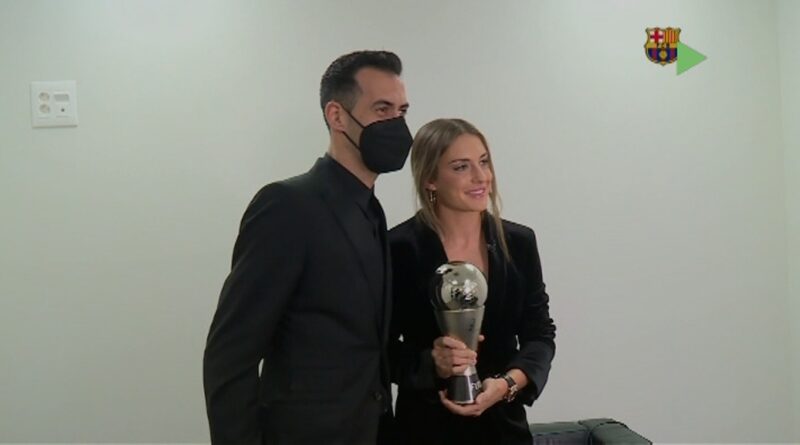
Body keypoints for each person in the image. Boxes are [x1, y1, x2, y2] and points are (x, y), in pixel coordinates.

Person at [203, 50, 412, 445]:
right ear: (337, 116)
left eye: (401, 111)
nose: (397, 124)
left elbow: (368, 344)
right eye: (382, 109)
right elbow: (230, 355)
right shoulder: (287, 205)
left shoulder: (373, 211)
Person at [388, 118, 556, 445]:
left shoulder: (519, 243)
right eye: (461, 167)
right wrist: (432, 363)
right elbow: (379, 349)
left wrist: (507, 385)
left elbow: (540, 335)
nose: (481, 177)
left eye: (483, 162)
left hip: (504, 431)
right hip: (422, 431)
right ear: (430, 179)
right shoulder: (397, 249)